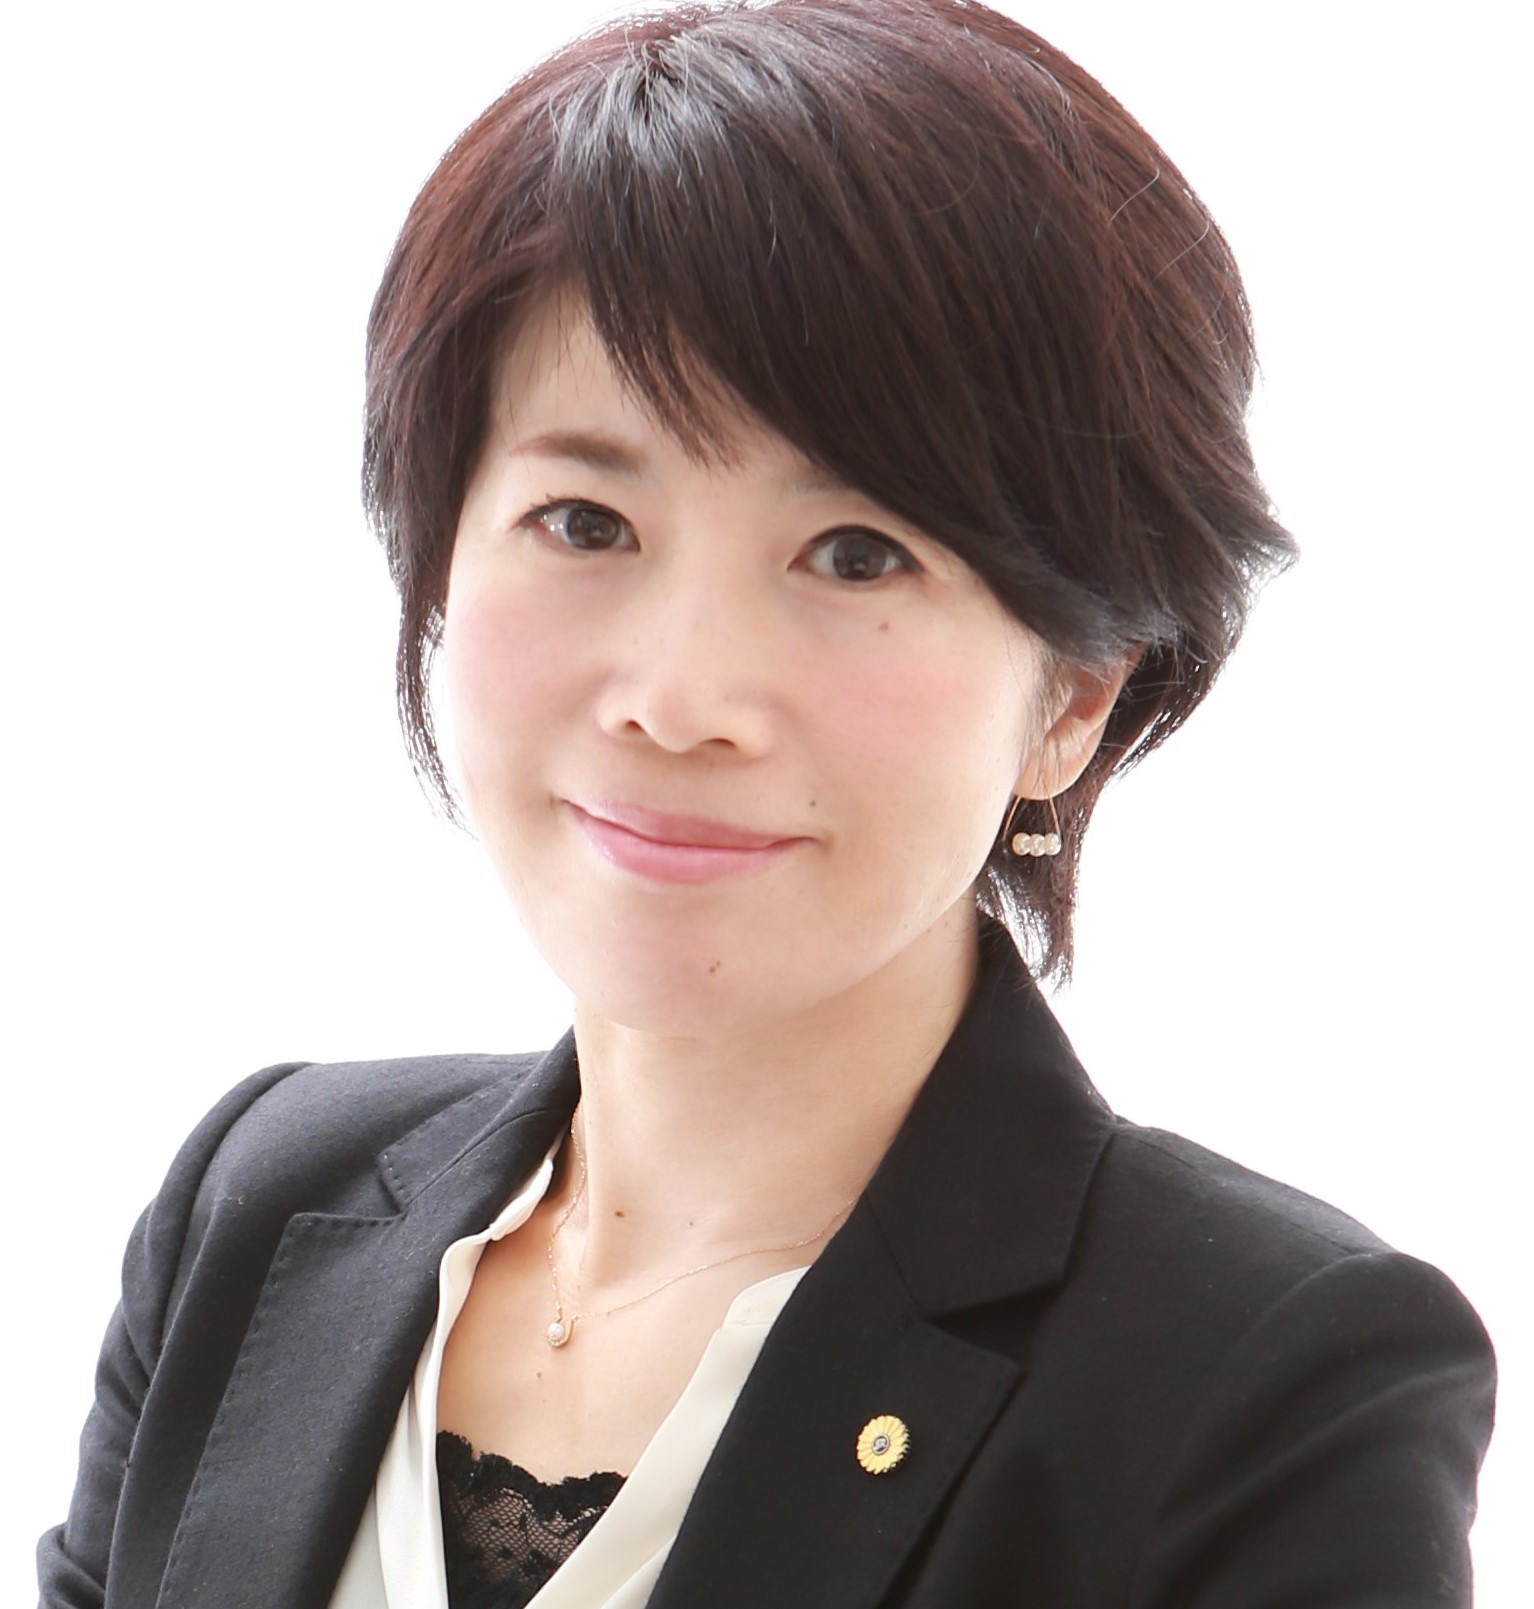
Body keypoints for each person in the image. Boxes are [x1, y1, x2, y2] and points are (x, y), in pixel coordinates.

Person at [38, 1, 1495, 1605]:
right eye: (585, 520)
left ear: (1075, 691)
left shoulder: (1264, 1387)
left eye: (854, 555)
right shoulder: (260, 1204)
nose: (677, 697)